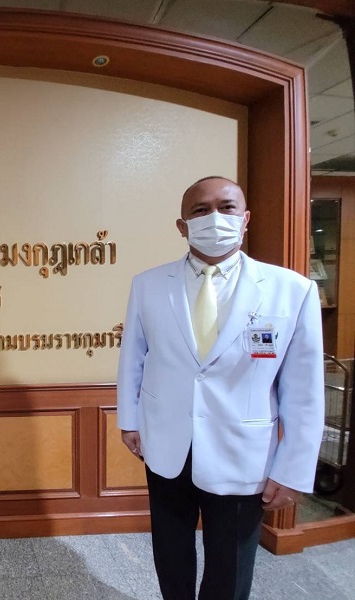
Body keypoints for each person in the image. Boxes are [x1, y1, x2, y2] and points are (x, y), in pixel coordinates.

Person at [116, 176, 324, 600]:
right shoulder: (148, 285)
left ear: (245, 219)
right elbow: (133, 357)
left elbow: (304, 391)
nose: (214, 218)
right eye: (200, 210)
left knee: (230, 565)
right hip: (167, 445)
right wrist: (129, 420)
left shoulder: (292, 291)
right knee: (170, 552)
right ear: (182, 226)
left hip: (242, 452)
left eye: (226, 208)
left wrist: (293, 470)